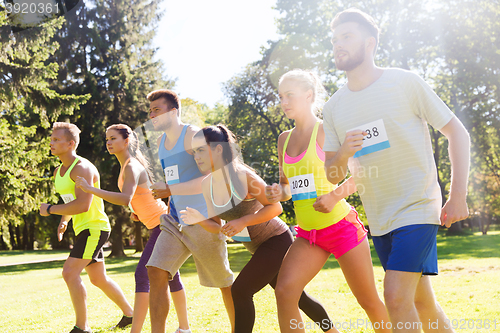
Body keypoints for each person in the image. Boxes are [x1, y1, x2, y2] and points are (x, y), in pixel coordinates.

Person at [323, 8, 470, 332]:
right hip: (380, 217)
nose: (338, 44)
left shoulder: (404, 82)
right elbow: (332, 174)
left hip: (417, 206)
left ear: (370, 43)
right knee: (422, 302)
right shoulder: (334, 107)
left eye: (347, 36)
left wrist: (458, 194)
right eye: (335, 39)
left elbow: (457, 132)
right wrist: (345, 153)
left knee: (395, 295)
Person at [179, 125, 337, 333]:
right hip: (258, 248)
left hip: (276, 240)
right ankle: (333, 331)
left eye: (200, 150)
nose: (195, 156)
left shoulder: (243, 176)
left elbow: (276, 206)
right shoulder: (207, 184)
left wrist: (244, 221)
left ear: (218, 149)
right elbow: (216, 226)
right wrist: (199, 219)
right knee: (299, 297)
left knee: (241, 290)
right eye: (194, 151)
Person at [265, 70, 390, 333]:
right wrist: (279, 192)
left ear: (308, 95)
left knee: (367, 300)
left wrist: (335, 196)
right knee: (285, 292)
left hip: (341, 228)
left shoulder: (326, 131)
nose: (284, 102)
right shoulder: (283, 139)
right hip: (309, 235)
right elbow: (288, 188)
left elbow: (364, 172)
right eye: (280, 97)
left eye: (290, 95)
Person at [74, 124, 191, 333]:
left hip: (163, 225)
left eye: (113, 139)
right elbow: (135, 197)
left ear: (126, 141)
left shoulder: (130, 166)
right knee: (172, 277)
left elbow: (125, 197)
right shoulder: (127, 165)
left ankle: (136, 330)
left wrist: (91, 189)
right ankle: (184, 328)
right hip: (159, 223)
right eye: (107, 139)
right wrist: (136, 210)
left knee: (142, 274)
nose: (108, 142)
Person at [144, 89, 235, 333]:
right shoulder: (162, 142)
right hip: (175, 220)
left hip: (203, 217)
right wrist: (166, 197)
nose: (151, 115)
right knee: (155, 271)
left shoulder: (193, 135)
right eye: (150, 110)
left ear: (173, 112)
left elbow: (213, 177)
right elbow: (174, 182)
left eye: (156, 110)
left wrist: (170, 188)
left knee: (224, 283)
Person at [39, 122, 134, 333]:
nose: (51, 143)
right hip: (83, 228)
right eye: (51, 139)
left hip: (94, 228)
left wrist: (50, 209)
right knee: (98, 278)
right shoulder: (58, 171)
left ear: (71, 143)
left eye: (56, 140)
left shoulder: (82, 168)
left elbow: (84, 204)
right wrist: (64, 220)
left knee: (69, 273)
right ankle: (130, 314)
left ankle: (82, 327)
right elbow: (71, 200)